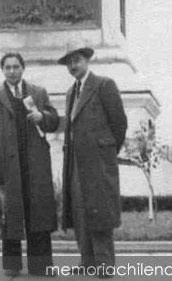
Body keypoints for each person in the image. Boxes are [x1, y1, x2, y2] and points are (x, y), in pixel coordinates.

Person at [0, 52, 59, 277]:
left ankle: (41, 265)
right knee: (9, 215)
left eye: (16, 67)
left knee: (38, 215)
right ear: (2, 70)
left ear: (23, 68)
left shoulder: (38, 93)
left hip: (35, 165)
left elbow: (54, 121)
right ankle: (12, 265)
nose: (12, 71)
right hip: (5, 166)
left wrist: (42, 117)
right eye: (8, 67)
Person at [58, 39, 127, 278]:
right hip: (75, 163)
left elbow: (119, 125)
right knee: (79, 210)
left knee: (100, 212)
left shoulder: (104, 85)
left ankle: (105, 264)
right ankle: (87, 261)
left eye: (77, 60)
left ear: (87, 60)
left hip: (98, 162)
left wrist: (105, 152)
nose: (73, 66)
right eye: (69, 62)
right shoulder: (70, 93)